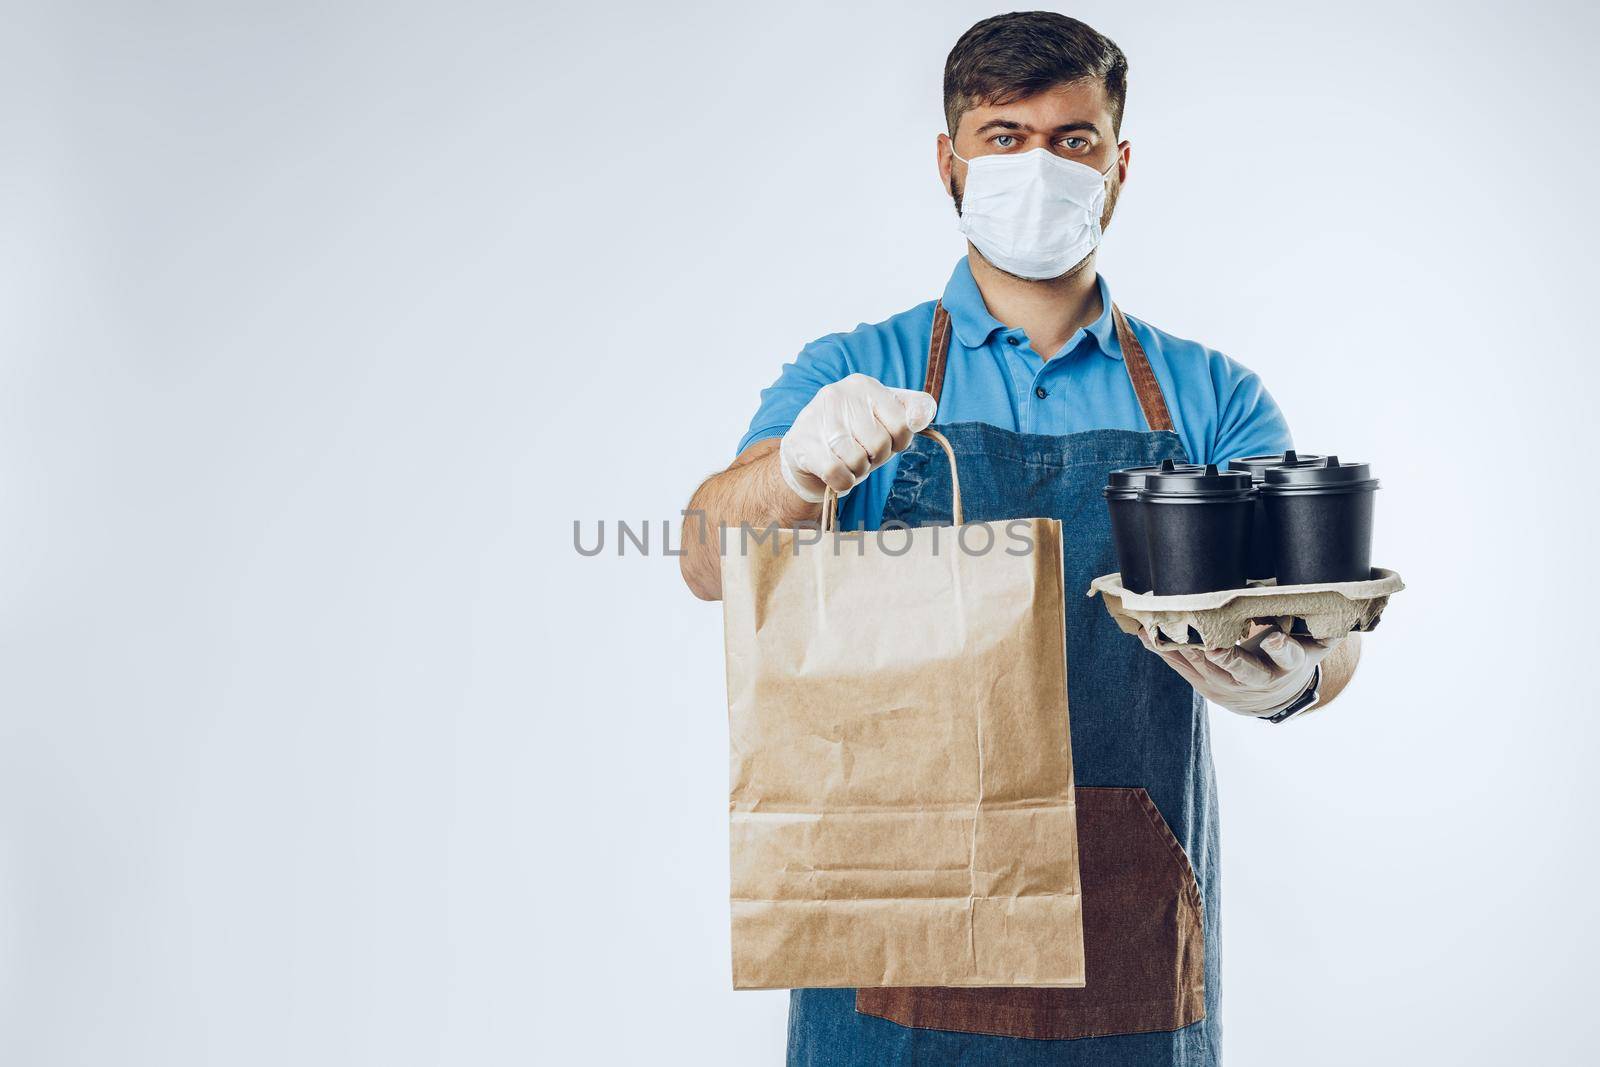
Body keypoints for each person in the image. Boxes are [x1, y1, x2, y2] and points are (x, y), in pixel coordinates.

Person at [680, 11, 1360, 1066]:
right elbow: (700, 557)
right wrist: (797, 470)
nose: (1037, 167)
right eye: (1003, 136)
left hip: (1122, 912)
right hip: (894, 909)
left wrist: (1285, 678)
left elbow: (1329, 624)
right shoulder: (855, 368)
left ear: (1118, 163)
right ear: (948, 163)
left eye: (1071, 140)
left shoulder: (1211, 399)